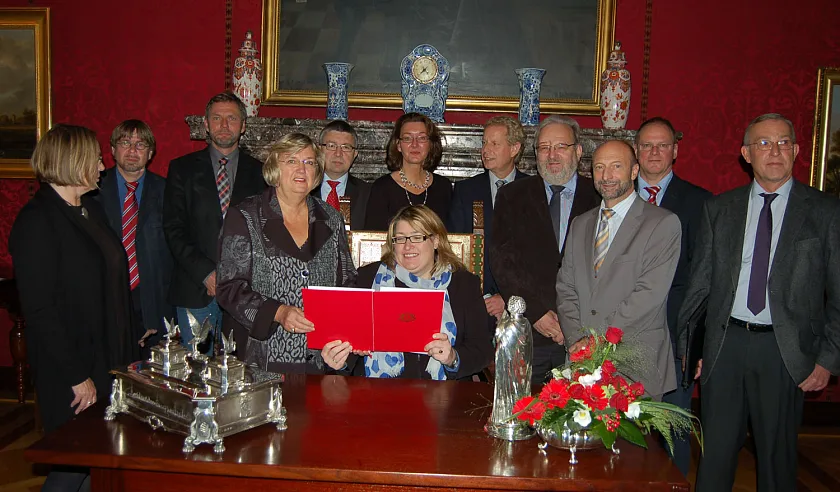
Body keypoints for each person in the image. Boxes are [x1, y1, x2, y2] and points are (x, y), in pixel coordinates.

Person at [677, 113, 840, 491]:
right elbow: (701, 285)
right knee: (715, 456)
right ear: (746, 154)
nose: (774, 151)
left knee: (776, 459)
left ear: (796, 150)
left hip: (785, 352)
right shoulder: (719, 209)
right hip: (725, 347)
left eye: (783, 142)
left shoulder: (825, 212)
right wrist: (694, 347)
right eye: (763, 143)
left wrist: (827, 360)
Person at [10, 124, 135, 490]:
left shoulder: (88, 210)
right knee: (71, 465)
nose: (101, 166)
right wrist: (77, 375)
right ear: (72, 160)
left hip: (105, 359)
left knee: (93, 463)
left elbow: (111, 281)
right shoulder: (37, 221)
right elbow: (39, 310)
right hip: (72, 366)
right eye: (96, 158)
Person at [216, 133, 357, 374]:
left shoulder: (332, 218)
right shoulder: (245, 216)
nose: (302, 169)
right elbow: (229, 287)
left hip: (319, 357)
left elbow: (347, 282)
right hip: (261, 356)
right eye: (292, 161)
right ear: (274, 168)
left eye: (310, 162)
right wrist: (278, 312)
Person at [556, 140, 681, 399]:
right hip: (582, 362)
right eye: (599, 167)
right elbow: (566, 288)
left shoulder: (662, 224)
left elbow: (648, 296)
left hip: (634, 364)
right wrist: (576, 341)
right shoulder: (580, 224)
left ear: (634, 171)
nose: (607, 176)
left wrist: (598, 343)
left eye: (616, 166)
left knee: (630, 442)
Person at [490, 115, 600, 386]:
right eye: (544, 147)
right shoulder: (511, 196)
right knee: (526, 414)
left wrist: (571, 323)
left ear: (578, 151)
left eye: (561, 146)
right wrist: (536, 312)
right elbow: (503, 263)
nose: (552, 155)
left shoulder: (599, 197)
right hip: (531, 332)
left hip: (586, 334)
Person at [324, 205, 493, 379]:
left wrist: (453, 358)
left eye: (416, 237)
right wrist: (340, 360)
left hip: (445, 394)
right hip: (377, 393)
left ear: (435, 241)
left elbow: (482, 349)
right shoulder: (368, 279)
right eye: (400, 239)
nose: (407, 246)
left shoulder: (464, 285)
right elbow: (350, 345)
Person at [633, 116, 711, 475]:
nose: (654, 152)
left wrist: (697, 345)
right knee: (623, 434)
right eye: (647, 145)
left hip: (674, 337)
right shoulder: (611, 194)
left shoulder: (701, 204)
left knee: (673, 434)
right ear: (636, 149)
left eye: (662, 145)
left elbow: (706, 279)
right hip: (620, 336)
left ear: (675, 151)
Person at [163, 92, 266, 347]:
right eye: (216, 118)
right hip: (195, 290)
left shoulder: (261, 173)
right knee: (197, 377)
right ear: (206, 124)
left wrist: (235, 277)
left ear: (243, 126)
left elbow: (265, 233)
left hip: (245, 292)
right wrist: (207, 273)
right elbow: (174, 229)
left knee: (241, 375)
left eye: (231, 118)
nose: (223, 125)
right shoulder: (181, 169)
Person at [96, 120, 175, 359]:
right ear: (112, 149)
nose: (132, 151)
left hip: (151, 297)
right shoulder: (92, 190)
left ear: (150, 153)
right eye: (125, 143)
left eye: (140, 144)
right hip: (104, 297)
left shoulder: (167, 191)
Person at [446, 116, 528, 321]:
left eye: (494, 143)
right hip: (475, 303)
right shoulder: (466, 191)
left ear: (514, 148)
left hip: (522, 306)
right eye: (484, 143)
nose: (486, 150)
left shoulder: (533, 191)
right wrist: (479, 295)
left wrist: (508, 296)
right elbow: (456, 249)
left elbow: (536, 256)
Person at [364, 112, 452, 230]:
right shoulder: (382, 188)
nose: (414, 144)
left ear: (430, 144)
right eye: (407, 138)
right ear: (398, 145)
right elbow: (372, 240)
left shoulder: (444, 187)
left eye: (421, 138)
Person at [310, 119, 371, 229]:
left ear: (355, 154)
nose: (338, 154)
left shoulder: (369, 194)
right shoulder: (304, 188)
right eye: (331, 146)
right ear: (319, 150)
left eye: (346, 147)